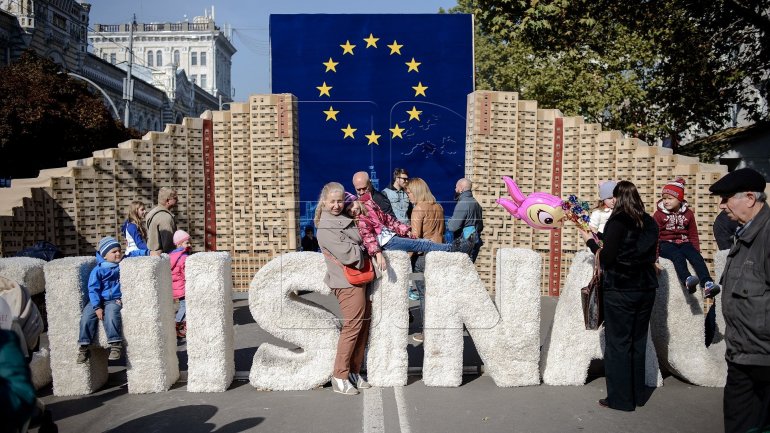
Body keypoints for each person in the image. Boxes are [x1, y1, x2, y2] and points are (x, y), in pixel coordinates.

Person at [577, 180, 658, 411]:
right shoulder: (649, 221)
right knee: (638, 341)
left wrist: (591, 243)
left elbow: (609, 256)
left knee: (618, 343)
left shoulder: (618, 220)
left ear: (619, 198)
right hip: (646, 288)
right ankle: (637, 394)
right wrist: (600, 234)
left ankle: (620, 399)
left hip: (621, 289)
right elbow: (636, 247)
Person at [708, 167, 770, 433]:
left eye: (726, 198)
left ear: (749, 198)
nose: (721, 205)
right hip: (743, 356)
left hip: (764, 359)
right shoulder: (742, 233)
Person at [315, 182, 380, 396]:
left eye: (340, 200)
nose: (336, 205)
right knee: (352, 328)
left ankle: (353, 371)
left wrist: (361, 245)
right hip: (346, 282)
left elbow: (362, 239)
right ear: (324, 201)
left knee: (362, 327)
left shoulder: (344, 218)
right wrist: (364, 248)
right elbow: (350, 255)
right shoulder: (326, 226)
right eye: (332, 201)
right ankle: (339, 376)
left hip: (358, 280)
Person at [653, 177, 720, 298]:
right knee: (677, 256)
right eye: (664, 198)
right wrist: (655, 257)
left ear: (679, 199)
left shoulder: (688, 213)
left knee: (696, 257)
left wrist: (696, 251)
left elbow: (693, 233)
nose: (666, 201)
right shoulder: (658, 215)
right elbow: (655, 236)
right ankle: (688, 280)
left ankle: (707, 283)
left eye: (670, 198)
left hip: (684, 242)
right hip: (665, 243)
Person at [405, 177, 445, 343]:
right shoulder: (439, 207)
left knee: (424, 297)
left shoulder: (418, 209)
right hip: (440, 255)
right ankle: (439, 331)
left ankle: (427, 333)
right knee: (437, 296)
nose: (408, 196)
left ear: (416, 191)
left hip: (423, 258)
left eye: (409, 192)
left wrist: (405, 257)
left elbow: (416, 239)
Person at [77, 236, 124, 363]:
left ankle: (115, 345)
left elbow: (135, 253)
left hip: (113, 299)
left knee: (111, 314)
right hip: (96, 300)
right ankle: (83, 347)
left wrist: (148, 252)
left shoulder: (122, 266)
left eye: (119, 250)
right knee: (86, 317)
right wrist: (97, 307)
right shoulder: (98, 270)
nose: (118, 253)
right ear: (104, 256)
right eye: (114, 252)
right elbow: (93, 289)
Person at [447, 178, 483, 262]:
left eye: (456, 187)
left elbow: (452, 227)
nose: (455, 189)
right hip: (475, 242)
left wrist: (449, 222)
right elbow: (480, 226)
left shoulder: (463, 203)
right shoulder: (476, 203)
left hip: (463, 244)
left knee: (459, 270)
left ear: (461, 189)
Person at [169, 230, 191, 339]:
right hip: (182, 285)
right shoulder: (183, 257)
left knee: (184, 305)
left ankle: (181, 324)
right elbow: (186, 273)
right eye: (187, 242)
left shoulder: (172, 255)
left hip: (176, 286)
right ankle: (177, 323)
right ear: (179, 244)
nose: (189, 244)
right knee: (185, 305)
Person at [145, 187, 178, 255]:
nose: (178, 200)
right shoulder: (166, 218)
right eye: (175, 198)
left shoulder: (151, 213)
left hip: (151, 256)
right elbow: (169, 246)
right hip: (161, 259)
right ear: (168, 201)